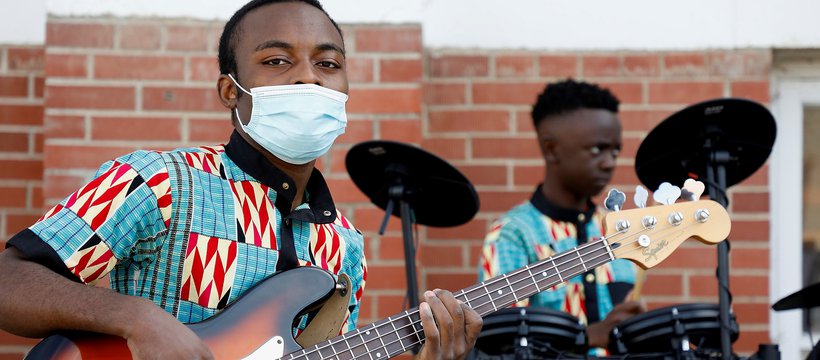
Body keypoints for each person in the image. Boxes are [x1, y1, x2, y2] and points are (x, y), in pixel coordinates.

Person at [0, 1, 482, 359]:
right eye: (277, 61)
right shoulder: (159, 182)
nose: (308, 79)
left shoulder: (344, 246)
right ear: (231, 90)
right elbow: (9, 280)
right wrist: (134, 318)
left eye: (328, 64)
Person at [477, 79, 643, 351]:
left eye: (615, 151)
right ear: (551, 149)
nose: (610, 162)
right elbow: (501, 343)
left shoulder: (618, 228)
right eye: (597, 149)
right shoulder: (513, 233)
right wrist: (587, 337)